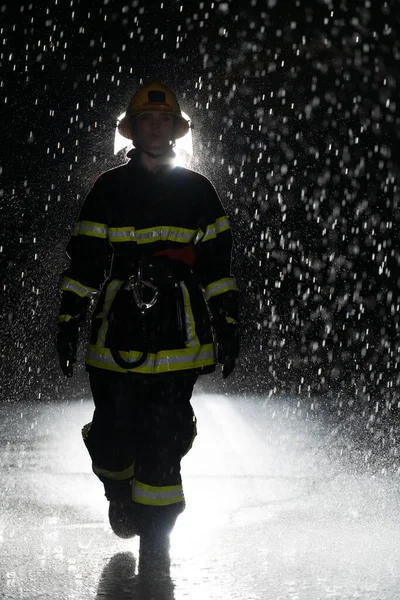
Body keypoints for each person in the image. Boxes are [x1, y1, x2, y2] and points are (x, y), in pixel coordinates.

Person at [56, 80, 239, 560]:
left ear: (176, 130)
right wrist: (69, 318)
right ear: (133, 130)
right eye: (146, 120)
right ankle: (119, 491)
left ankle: (157, 544)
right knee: (115, 433)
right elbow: (86, 262)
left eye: (163, 120)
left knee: (166, 436)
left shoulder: (199, 191)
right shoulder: (108, 189)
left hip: (180, 329)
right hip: (118, 328)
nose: (155, 128)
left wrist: (229, 322)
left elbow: (218, 266)